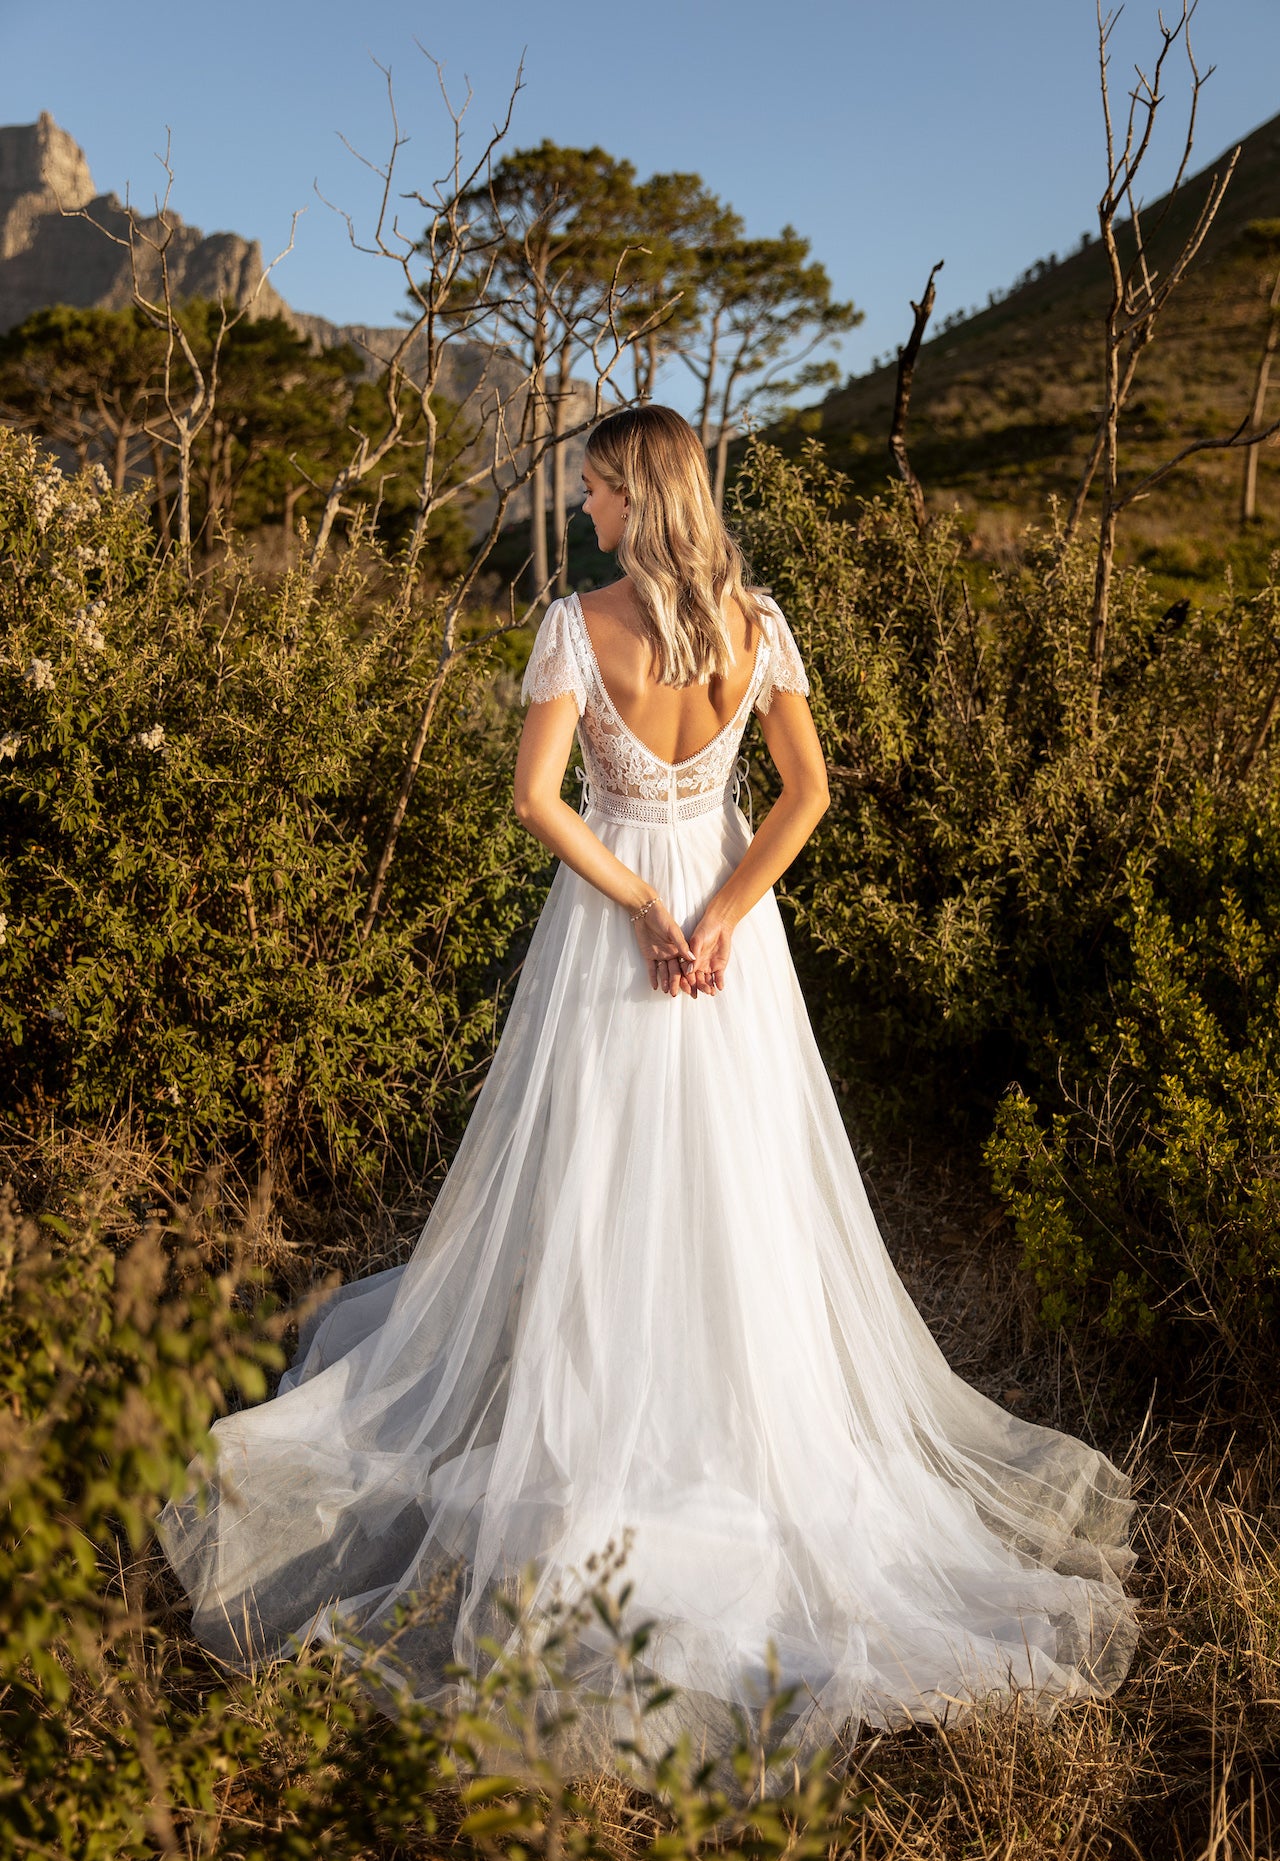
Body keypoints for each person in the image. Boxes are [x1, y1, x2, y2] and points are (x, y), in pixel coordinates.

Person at [158, 405, 1137, 1775]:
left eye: (598, 490)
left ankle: (601, 1394)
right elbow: (804, 793)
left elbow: (538, 802)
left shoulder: (576, 623)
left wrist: (640, 905)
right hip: (732, 948)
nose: (585, 513)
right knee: (741, 1174)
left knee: (599, 1161)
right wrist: (721, 910)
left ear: (640, 492)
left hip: (620, 937)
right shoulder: (759, 623)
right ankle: (721, 1398)